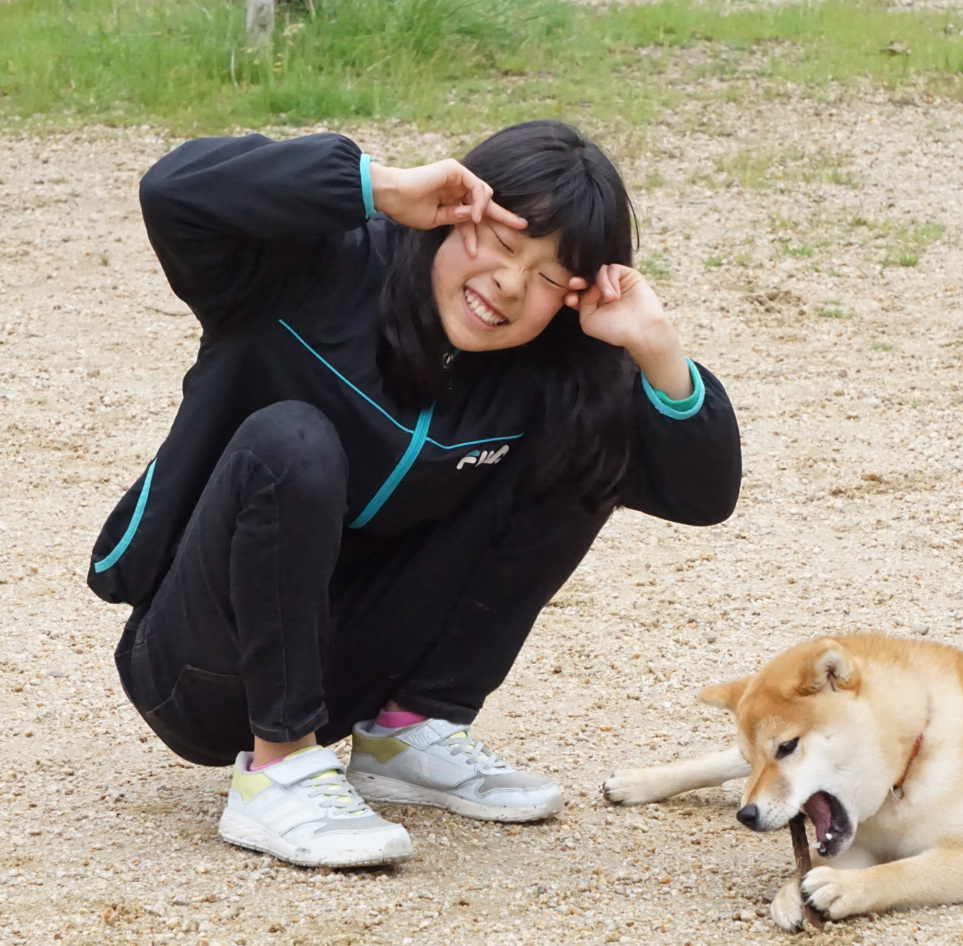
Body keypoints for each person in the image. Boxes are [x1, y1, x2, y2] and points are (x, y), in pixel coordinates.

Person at [88, 121, 741, 868]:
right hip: (199, 665)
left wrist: (657, 352)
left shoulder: (542, 371)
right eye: (501, 240)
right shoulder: (310, 268)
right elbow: (174, 191)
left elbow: (703, 495)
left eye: (549, 275)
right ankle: (279, 771)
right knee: (291, 439)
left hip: (348, 668)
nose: (509, 283)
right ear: (456, 209)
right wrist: (374, 184)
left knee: (586, 448)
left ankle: (408, 730)